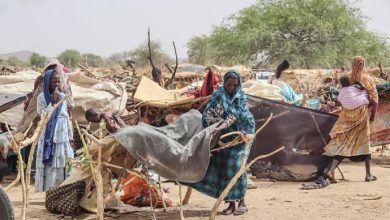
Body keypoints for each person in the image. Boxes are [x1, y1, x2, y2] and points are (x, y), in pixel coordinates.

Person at [189, 70, 255, 216]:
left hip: (241, 136)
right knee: (224, 169)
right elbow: (207, 115)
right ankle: (230, 202)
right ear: (224, 83)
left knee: (238, 167)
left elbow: (240, 115)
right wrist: (218, 124)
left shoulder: (241, 97)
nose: (231, 88)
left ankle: (242, 202)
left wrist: (225, 123)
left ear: (238, 85)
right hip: (222, 138)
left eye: (234, 85)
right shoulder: (218, 96)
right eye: (229, 84)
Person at [323, 56, 378, 183]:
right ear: (363, 65)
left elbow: (341, 95)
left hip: (346, 116)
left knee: (344, 143)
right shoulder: (367, 79)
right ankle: (368, 175)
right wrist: (373, 115)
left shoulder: (347, 77)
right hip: (361, 116)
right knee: (364, 142)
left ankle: (331, 170)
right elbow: (375, 99)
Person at [35, 69, 74, 192]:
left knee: (64, 162)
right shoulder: (41, 98)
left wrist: (70, 136)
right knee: (51, 166)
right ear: (47, 82)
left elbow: (66, 117)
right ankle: (50, 192)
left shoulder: (63, 97)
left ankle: (63, 191)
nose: (56, 84)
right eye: (54, 82)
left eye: (58, 82)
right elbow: (42, 116)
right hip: (49, 136)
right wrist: (52, 102)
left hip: (62, 137)